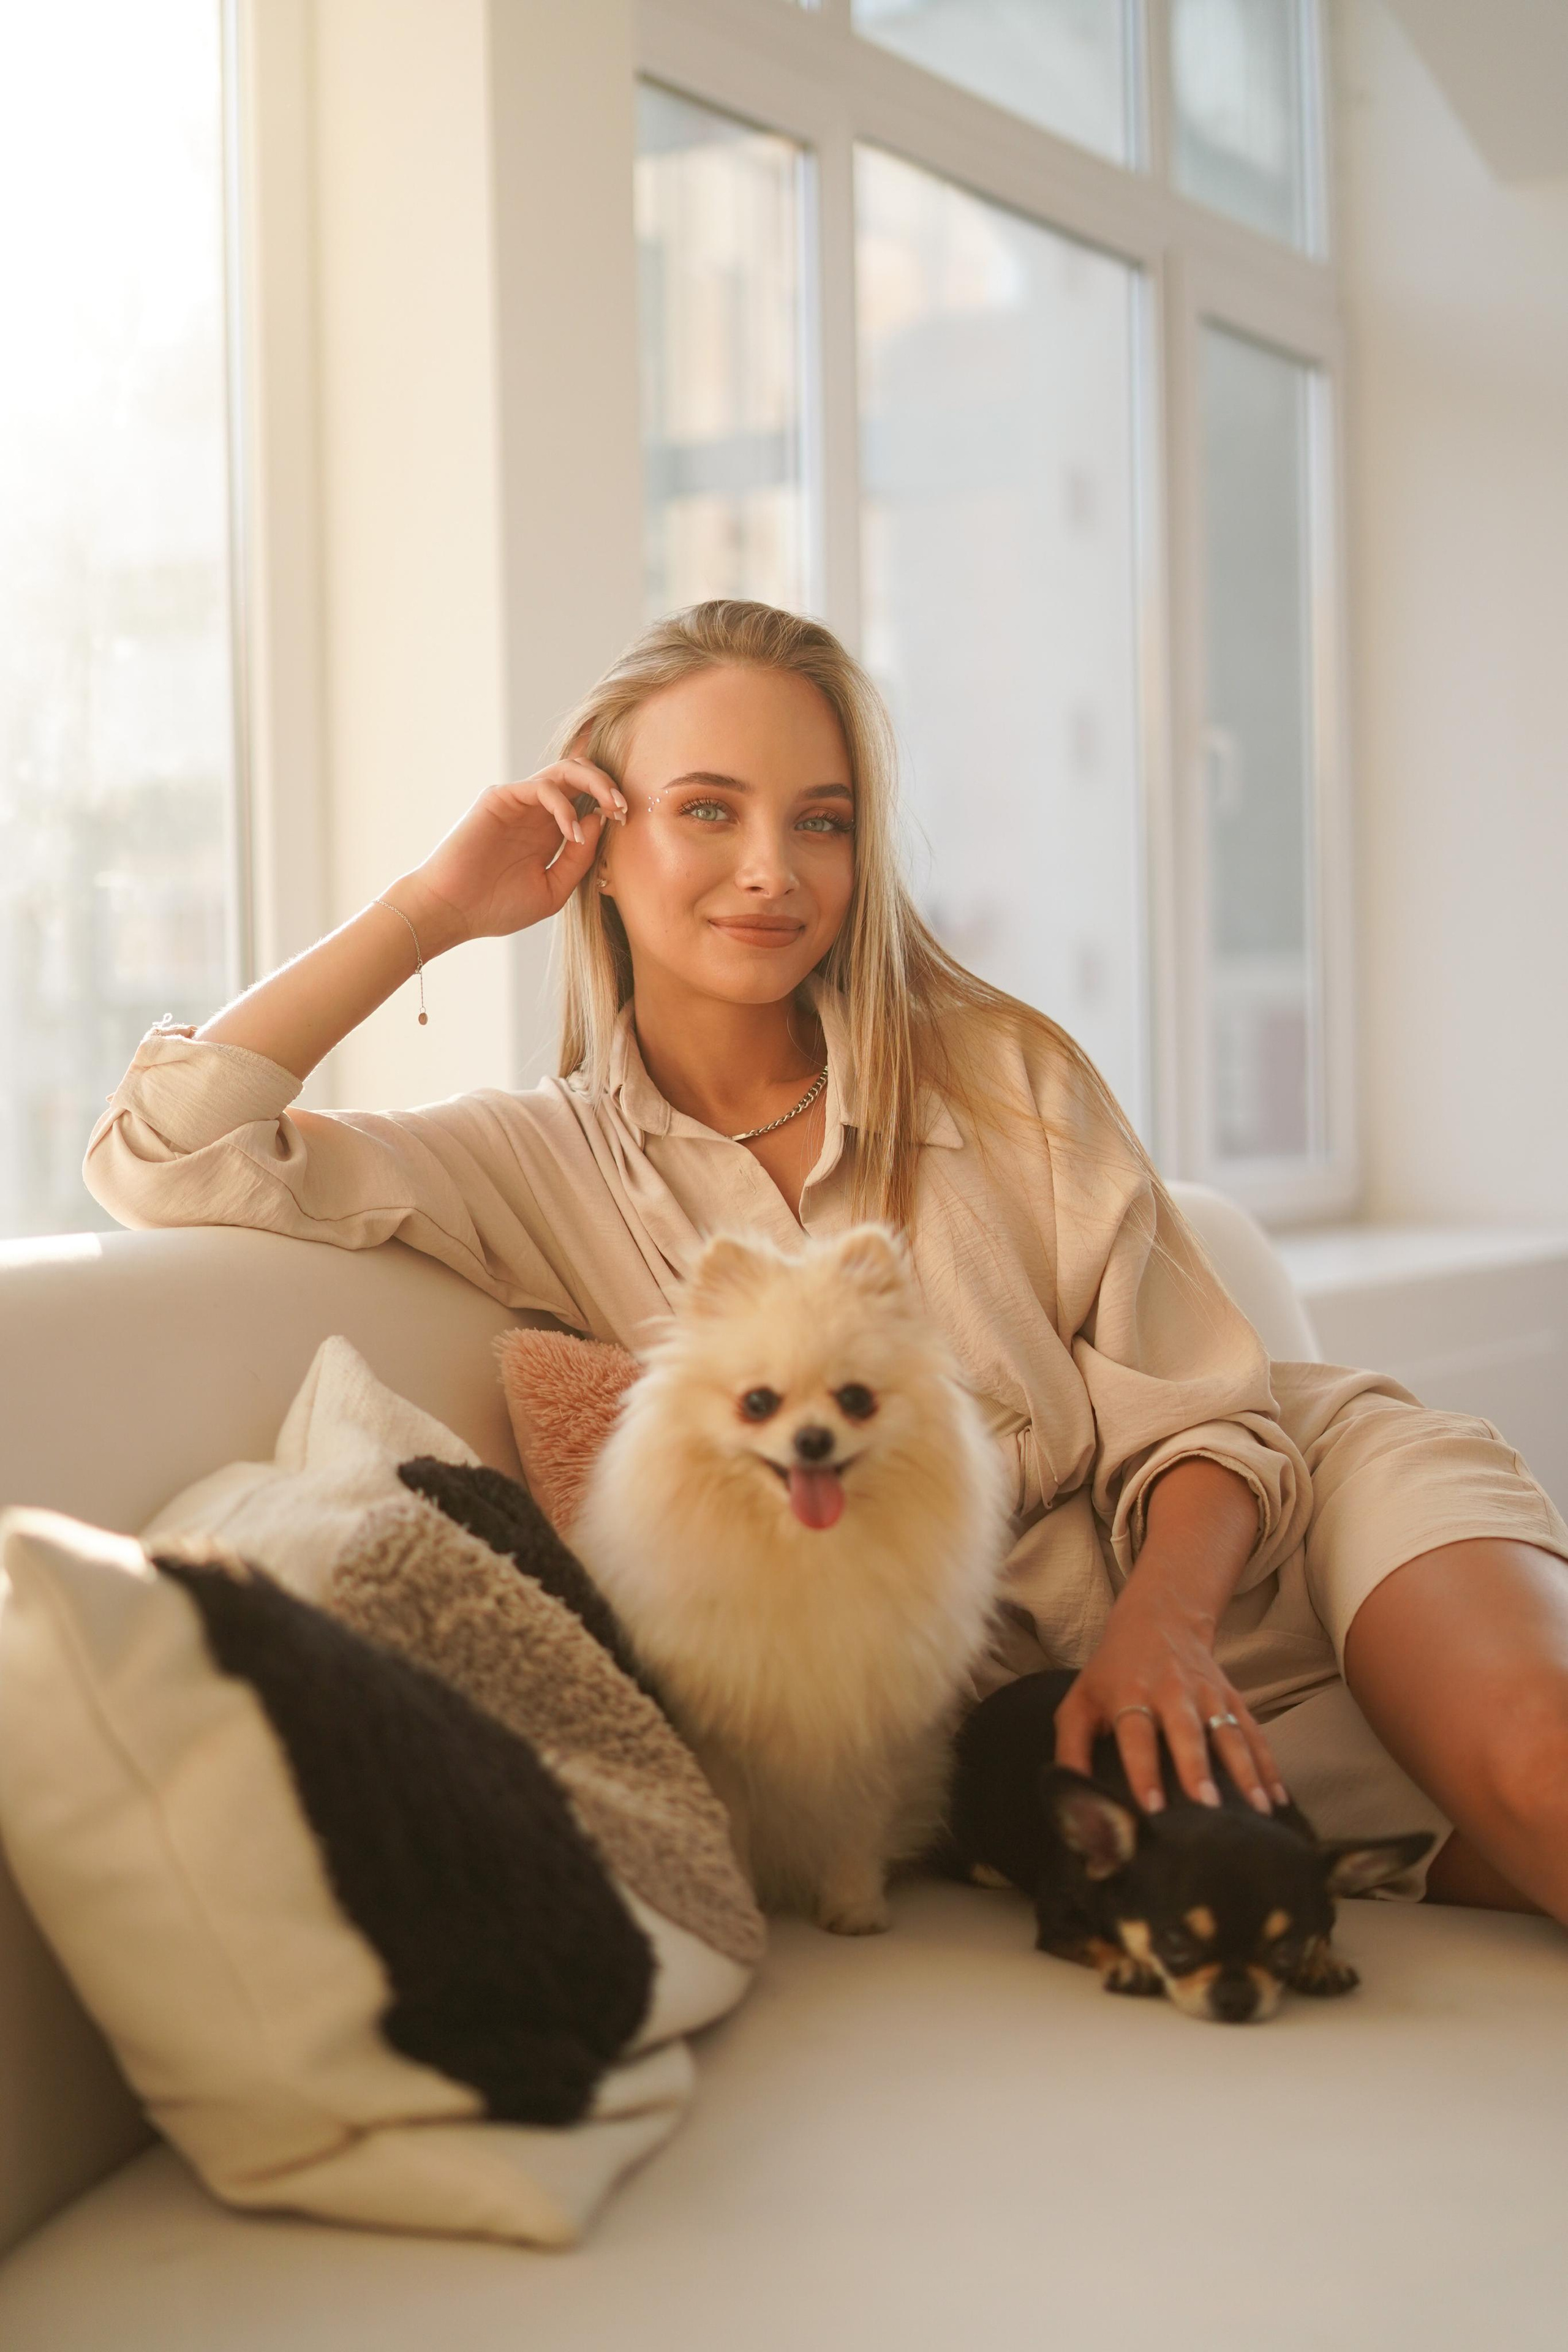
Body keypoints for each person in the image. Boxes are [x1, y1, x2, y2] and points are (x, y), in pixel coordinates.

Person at [85, 599, 1568, 1921]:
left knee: (1538, 1771)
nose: (770, 873)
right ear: (596, 846)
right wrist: (434, 909)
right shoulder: (538, 1163)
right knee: (1464, 1852)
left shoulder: (1000, 1070)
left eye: (821, 821)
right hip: (1034, 1717)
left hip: (1285, 1529)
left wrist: (1158, 1636)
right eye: (706, 811)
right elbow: (165, 1152)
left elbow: (1204, 1412)